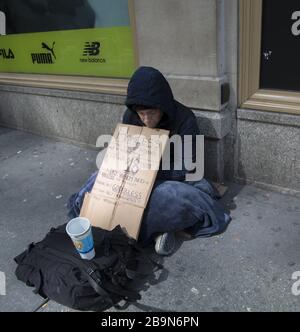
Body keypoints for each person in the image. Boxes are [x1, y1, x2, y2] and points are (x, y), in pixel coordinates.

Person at [67, 67, 231, 256]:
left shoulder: (185, 119)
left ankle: (143, 230)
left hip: (172, 178)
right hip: (137, 176)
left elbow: (190, 167)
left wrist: (149, 173)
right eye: (141, 113)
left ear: (163, 106)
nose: (146, 119)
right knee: (98, 180)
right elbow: (122, 151)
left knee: (174, 197)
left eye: (151, 113)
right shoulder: (131, 116)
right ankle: (154, 229)